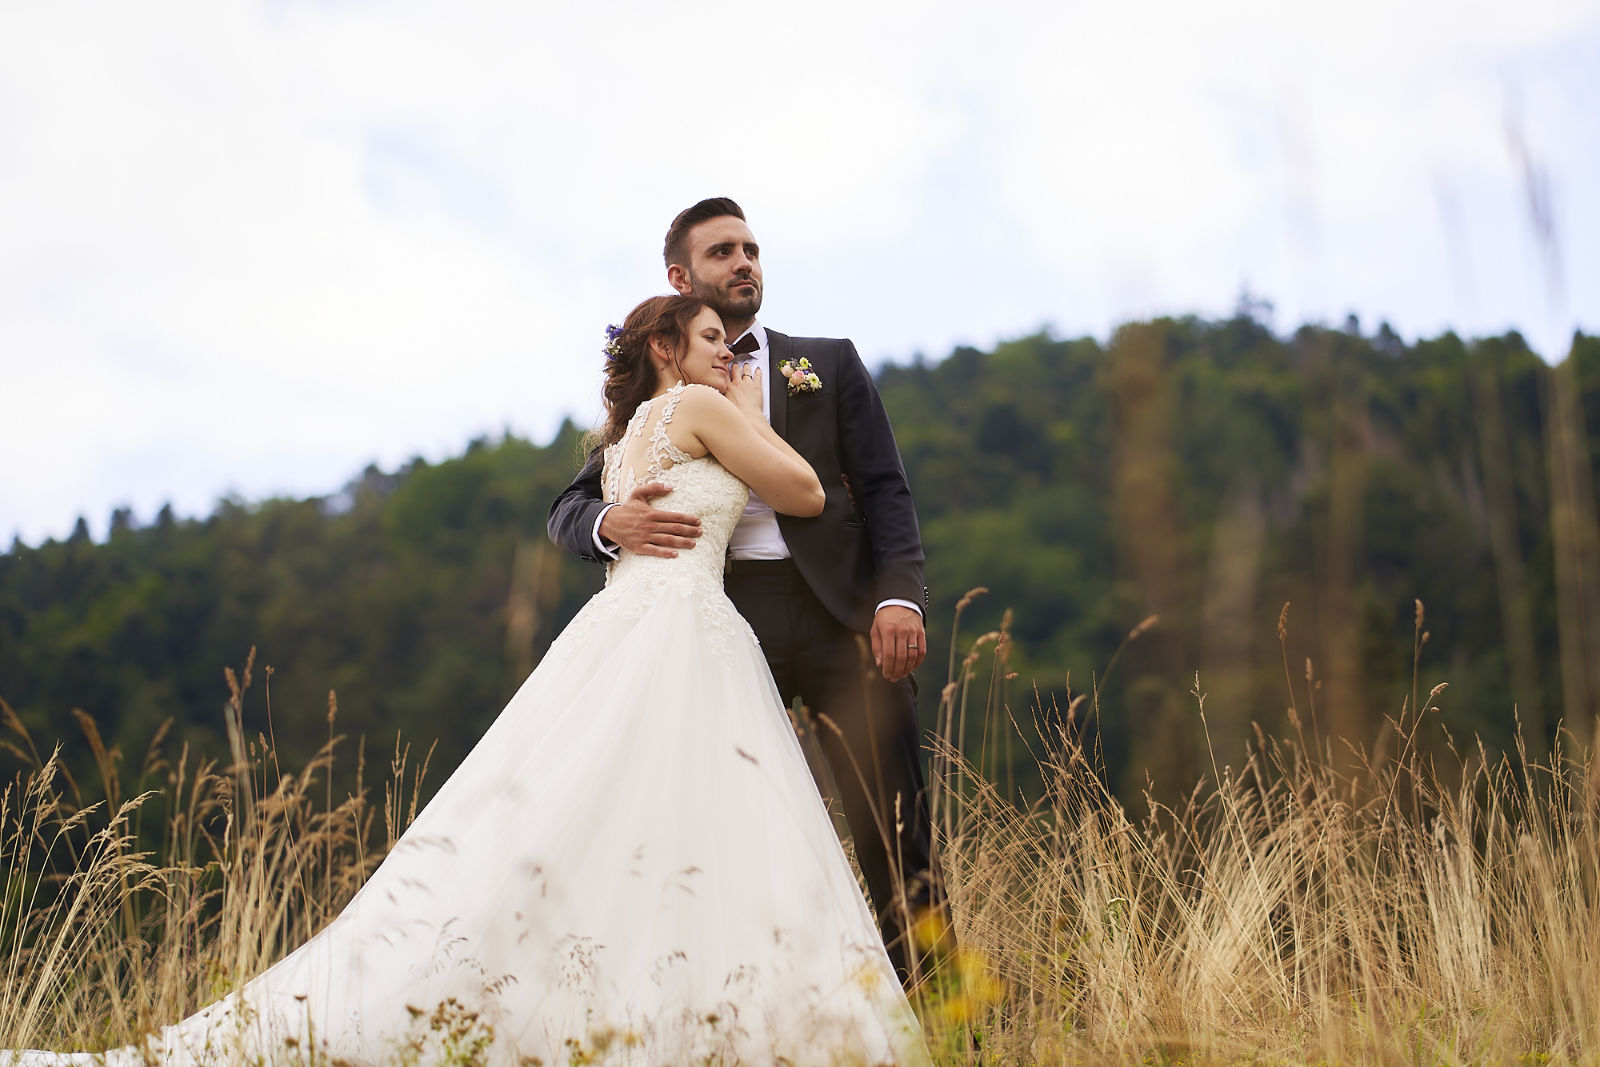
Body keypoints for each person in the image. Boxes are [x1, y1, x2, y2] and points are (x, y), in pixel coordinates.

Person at [4, 295, 927, 1066]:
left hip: (619, 629)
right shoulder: (702, 406)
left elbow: (595, 510)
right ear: (665, 349)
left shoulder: (622, 441)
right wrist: (749, 413)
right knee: (700, 816)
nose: (730, 352)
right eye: (712, 340)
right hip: (687, 628)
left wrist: (621, 514)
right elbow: (804, 490)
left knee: (598, 814)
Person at [549, 198, 951, 987]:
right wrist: (612, 522)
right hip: (726, 618)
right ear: (681, 275)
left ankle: (944, 1021)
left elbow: (884, 491)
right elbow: (567, 509)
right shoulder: (654, 401)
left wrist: (899, 597)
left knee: (896, 829)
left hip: (843, 620)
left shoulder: (825, 362)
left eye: (752, 248)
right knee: (730, 829)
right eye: (724, 250)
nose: (745, 262)